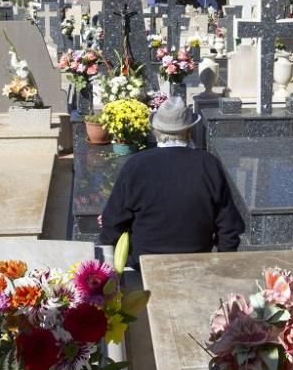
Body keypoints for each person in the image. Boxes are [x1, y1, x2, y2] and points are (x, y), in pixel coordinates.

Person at [99, 97, 244, 269]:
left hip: (144, 266)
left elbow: (112, 222)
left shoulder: (136, 165)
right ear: (189, 131)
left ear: (156, 131)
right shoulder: (208, 164)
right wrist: (223, 267)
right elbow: (229, 227)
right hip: (197, 263)